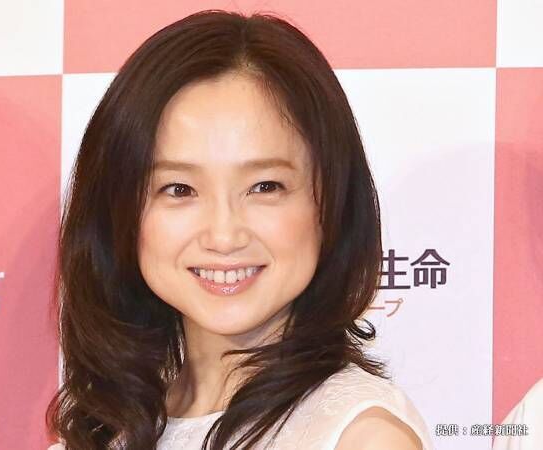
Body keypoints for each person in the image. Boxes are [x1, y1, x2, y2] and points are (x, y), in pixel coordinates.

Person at [46, 9, 434, 450]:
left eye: (265, 187)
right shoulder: (105, 428)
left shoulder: (362, 438)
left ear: (331, 203)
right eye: (179, 189)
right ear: (117, 210)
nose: (224, 236)